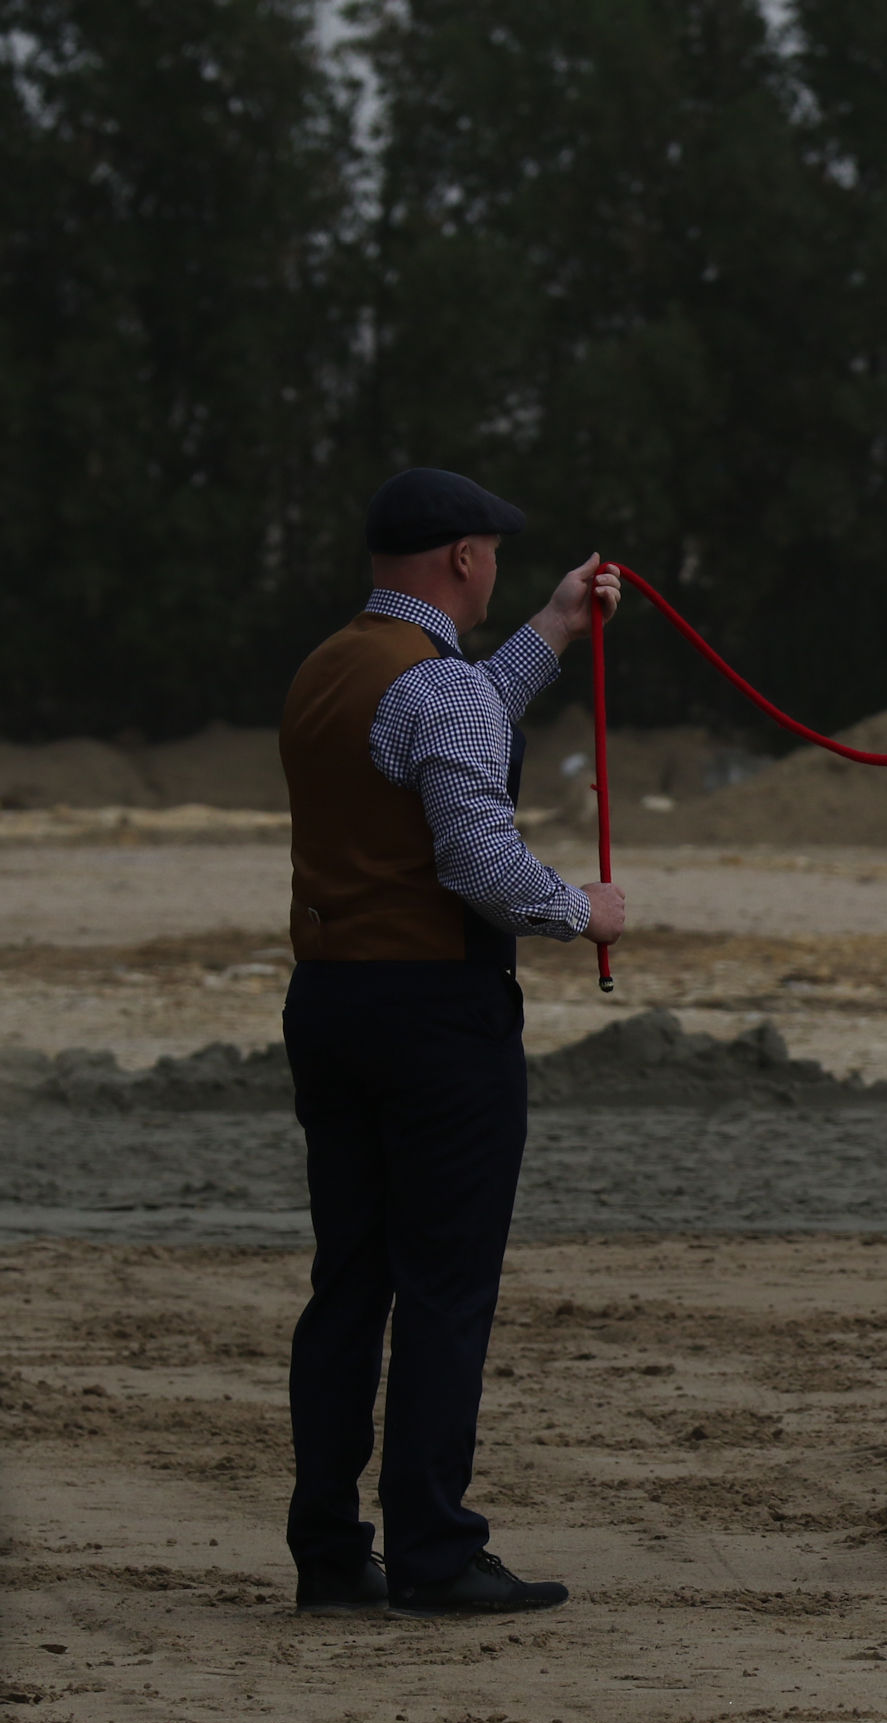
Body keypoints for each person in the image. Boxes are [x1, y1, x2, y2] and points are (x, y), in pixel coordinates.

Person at [278, 467, 626, 1617]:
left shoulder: (330, 668)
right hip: (439, 1017)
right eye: (496, 558)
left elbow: (453, 715)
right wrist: (581, 910)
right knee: (444, 1288)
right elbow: (480, 864)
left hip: (330, 1003)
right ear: (465, 559)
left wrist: (555, 625)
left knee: (350, 1281)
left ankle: (330, 1549)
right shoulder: (439, 688)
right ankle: (433, 1548)